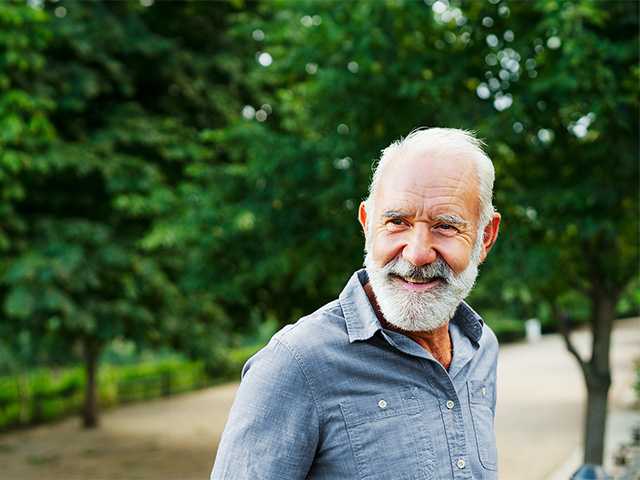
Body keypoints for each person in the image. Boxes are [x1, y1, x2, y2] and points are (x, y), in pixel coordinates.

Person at [211, 127, 502, 480]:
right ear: (367, 225)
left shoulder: (480, 348)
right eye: (397, 222)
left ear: (485, 237)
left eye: (445, 226)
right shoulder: (295, 365)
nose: (418, 254)